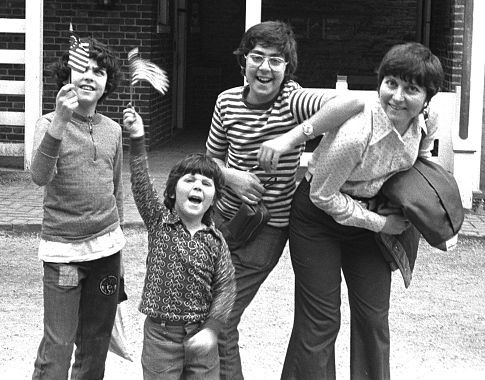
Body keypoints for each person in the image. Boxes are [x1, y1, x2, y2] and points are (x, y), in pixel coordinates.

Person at [260, 42, 444, 379]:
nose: (398, 97)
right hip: (319, 219)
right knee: (321, 320)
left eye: (411, 89)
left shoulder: (426, 123)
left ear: (427, 98)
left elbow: (420, 161)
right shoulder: (357, 131)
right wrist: (380, 223)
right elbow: (322, 196)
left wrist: (429, 209)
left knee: (374, 317)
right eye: (391, 83)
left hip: (370, 219)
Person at [205, 20, 366, 379]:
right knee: (205, 315)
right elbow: (211, 158)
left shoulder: (292, 99)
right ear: (243, 61)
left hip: (267, 230)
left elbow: (354, 101)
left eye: (276, 61)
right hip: (221, 223)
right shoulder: (226, 101)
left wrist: (290, 138)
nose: (265, 68)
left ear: (287, 69)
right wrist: (232, 176)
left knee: (221, 321)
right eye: (257, 57)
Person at [31, 37, 125, 379]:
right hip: (64, 256)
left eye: (98, 71)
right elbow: (39, 176)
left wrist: (119, 250)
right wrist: (60, 120)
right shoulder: (48, 123)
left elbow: (115, 192)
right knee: (58, 345)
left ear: (106, 84)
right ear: (65, 75)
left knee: (96, 342)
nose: (90, 76)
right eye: (82, 68)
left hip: (106, 255)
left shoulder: (113, 130)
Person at [123, 106, 236, 380]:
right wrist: (137, 139)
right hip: (161, 336)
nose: (198, 186)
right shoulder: (160, 222)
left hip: (202, 336)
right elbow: (140, 184)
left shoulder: (215, 240)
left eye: (206, 184)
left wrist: (212, 328)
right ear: (173, 192)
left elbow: (226, 288)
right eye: (189, 180)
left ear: (214, 199)